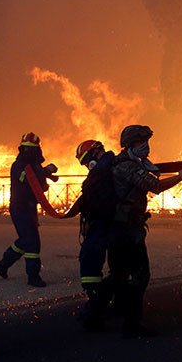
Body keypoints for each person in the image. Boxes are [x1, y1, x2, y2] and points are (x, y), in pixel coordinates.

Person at [110, 125, 182, 338]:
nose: (146, 146)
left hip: (119, 227)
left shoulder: (127, 163)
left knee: (119, 273)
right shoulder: (129, 167)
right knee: (140, 274)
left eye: (146, 142)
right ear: (130, 144)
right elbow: (156, 186)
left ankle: (107, 311)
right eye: (141, 142)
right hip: (127, 229)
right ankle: (131, 323)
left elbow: (151, 172)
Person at [0, 132, 58, 287]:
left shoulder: (35, 165)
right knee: (32, 242)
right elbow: (28, 178)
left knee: (25, 240)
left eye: (33, 148)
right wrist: (46, 171)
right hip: (20, 207)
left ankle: (2, 265)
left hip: (29, 207)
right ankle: (33, 277)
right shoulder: (19, 165)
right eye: (28, 149)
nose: (30, 152)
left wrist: (45, 179)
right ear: (23, 149)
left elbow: (40, 186)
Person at [72, 139, 117, 331]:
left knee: (90, 261)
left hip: (103, 223)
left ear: (95, 153)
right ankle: (97, 305)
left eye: (86, 160)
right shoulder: (104, 168)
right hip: (100, 223)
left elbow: (97, 196)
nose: (86, 165)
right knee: (95, 264)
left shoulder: (103, 169)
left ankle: (95, 308)